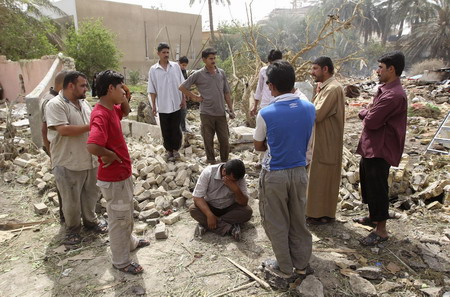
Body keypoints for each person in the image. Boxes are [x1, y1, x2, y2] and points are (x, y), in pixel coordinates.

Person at [253, 60, 315, 279]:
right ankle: (301, 263)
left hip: (275, 174)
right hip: (299, 171)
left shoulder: (266, 113)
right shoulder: (309, 108)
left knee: (277, 221)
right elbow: (308, 142)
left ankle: (284, 267)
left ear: (271, 86)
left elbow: (259, 144)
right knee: (298, 219)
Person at [87, 70, 149, 275]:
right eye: (120, 87)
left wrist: (125, 97)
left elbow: (125, 111)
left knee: (125, 215)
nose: (124, 90)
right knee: (118, 219)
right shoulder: (100, 114)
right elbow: (93, 145)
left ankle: (129, 243)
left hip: (121, 175)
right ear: (110, 88)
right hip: (113, 178)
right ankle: (121, 261)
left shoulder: (110, 109)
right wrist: (110, 156)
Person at [45, 71, 107, 245]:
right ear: (70, 86)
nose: (86, 88)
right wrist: (92, 125)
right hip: (68, 162)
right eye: (82, 85)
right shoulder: (55, 104)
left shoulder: (84, 103)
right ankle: (72, 230)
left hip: (88, 159)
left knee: (90, 195)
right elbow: (63, 129)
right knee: (71, 201)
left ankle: (91, 222)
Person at [354, 51, 407, 246]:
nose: (377, 71)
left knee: (378, 187)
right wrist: (368, 111)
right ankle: (373, 218)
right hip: (372, 146)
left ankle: (381, 230)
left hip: (380, 148)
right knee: (368, 182)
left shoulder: (394, 95)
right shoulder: (385, 90)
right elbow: (372, 115)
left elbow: (372, 120)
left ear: (391, 69)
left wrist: (364, 111)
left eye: (381, 68)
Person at [306, 56, 345, 225]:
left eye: (315, 69)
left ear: (325, 69)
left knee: (322, 177)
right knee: (321, 177)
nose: (312, 72)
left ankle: (319, 214)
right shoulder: (326, 87)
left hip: (327, 140)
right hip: (323, 139)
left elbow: (317, 114)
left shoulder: (332, 89)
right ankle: (320, 213)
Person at [179, 48, 235, 164]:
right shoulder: (198, 74)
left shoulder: (221, 73)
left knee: (224, 139)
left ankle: (225, 161)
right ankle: (211, 161)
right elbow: (182, 87)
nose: (213, 61)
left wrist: (231, 108)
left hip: (220, 112)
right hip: (206, 113)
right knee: (208, 139)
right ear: (204, 60)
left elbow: (226, 92)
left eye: (214, 58)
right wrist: (195, 97)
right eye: (210, 58)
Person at [189, 159, 252, 241]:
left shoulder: (239, 178)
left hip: (229, 207)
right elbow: (197, 197)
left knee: (247, 212)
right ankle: (230, 228)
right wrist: (209, 214)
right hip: (211, 206)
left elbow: (244, 203)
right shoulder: (209, 172)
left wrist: (236, 189)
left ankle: (208, 225)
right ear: (224, 171)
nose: (234, 181)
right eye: (231, 179)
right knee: (193, 209)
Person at [148, 42, 186, 161]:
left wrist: (183, 98)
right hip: (163, 105)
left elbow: (182, 84)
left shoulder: (175, 67)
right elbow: (152, 89)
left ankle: (176, 150)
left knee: (176, 128)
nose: (166, 54)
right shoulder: (153, 70)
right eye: (163, 52)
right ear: (158, 53)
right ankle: (168, 150)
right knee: (166, 129)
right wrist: (154, 105)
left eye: (167, 52)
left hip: (176, 103)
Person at [41, 70, 67, 223]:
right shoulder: (51, 101)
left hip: (61, 150)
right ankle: (66, 218)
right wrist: (51, 154)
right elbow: (44, 130)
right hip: (58, 150)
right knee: (63, 187)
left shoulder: (54, 97)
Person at [178, 56, 190, 132]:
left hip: (182, 94)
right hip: (176, 95)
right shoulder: (175, 71)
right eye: (183, 65)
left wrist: (186, 95)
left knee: (183, 112)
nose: (184, 67)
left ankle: (183, 128)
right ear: (179, 63)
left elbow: (185, 84)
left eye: (185, 65)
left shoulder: (184, 71)